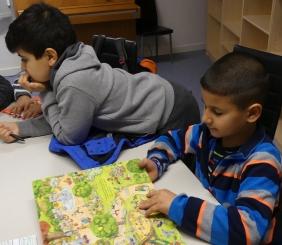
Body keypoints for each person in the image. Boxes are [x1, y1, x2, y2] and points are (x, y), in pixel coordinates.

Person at [0, 3, 199, 145]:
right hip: (162, 94)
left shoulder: (73, 82)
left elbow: (68, 136)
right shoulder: (74, 56)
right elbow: (66, 117)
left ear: (51, 56)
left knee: (183, 171)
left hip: (173, 111)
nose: (23, 66)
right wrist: (21, 129)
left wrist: (45, 92)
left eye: (24, 58)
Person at [138, 53, 282, 244]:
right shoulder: (206, 133)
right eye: (206, 106)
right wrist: (157, 161)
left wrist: (176, 206)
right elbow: (172, 139)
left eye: (217, 111)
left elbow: (247, 231)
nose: (205, 118)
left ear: (252, 113)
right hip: (207, 222)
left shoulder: (263, 162)